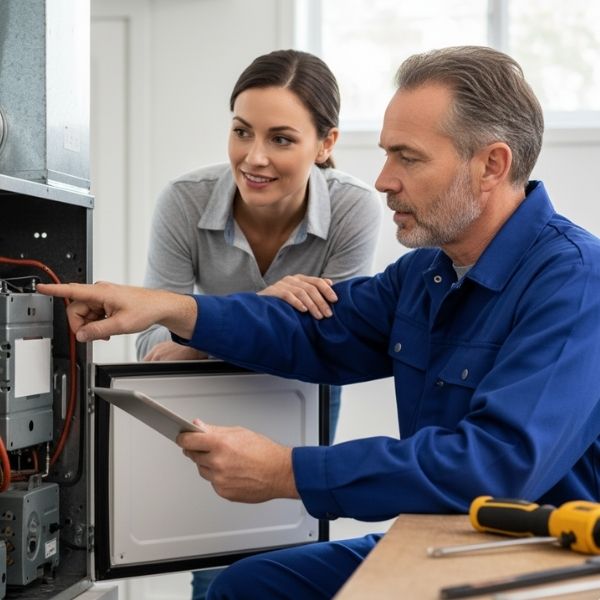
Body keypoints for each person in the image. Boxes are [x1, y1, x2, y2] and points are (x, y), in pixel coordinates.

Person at [38, 45, 600, 600]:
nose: (382, 180)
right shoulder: (426, 273)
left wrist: (290, 472)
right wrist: (173, 309)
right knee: (249, 586)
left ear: (491, 165)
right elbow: (312, 330)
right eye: (386, 155)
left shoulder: (575, 282)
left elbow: (495, 464)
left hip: (548, 551)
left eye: (408, 157)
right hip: (448, 532)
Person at [134, 49, 381, 599]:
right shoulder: (183, 201)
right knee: (214, 559)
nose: (254, 157)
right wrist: (265, 306)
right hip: (209, 391)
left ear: (327, 144)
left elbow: (335, 337)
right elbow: (151, 346)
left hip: (303, 391)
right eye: (242, 131)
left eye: (282, 139)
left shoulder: (354, 208)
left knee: (289, 556)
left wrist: (200, 329)